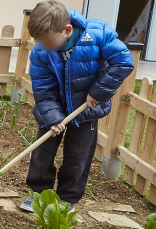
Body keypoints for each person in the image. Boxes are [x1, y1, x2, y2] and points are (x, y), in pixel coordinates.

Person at [21, 1, 134, 212]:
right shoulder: (40, 51)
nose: (44, 45)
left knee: (77, 157)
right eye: (40, 41)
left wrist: (98, 92)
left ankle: (68, 199)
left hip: (86, 108)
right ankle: (39, 193)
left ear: (67, 30)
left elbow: (123, 61)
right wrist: (52, 118)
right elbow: (43, 89)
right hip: (53, 105)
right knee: (41, 153)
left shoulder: (97, 34)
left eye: (49, 41)